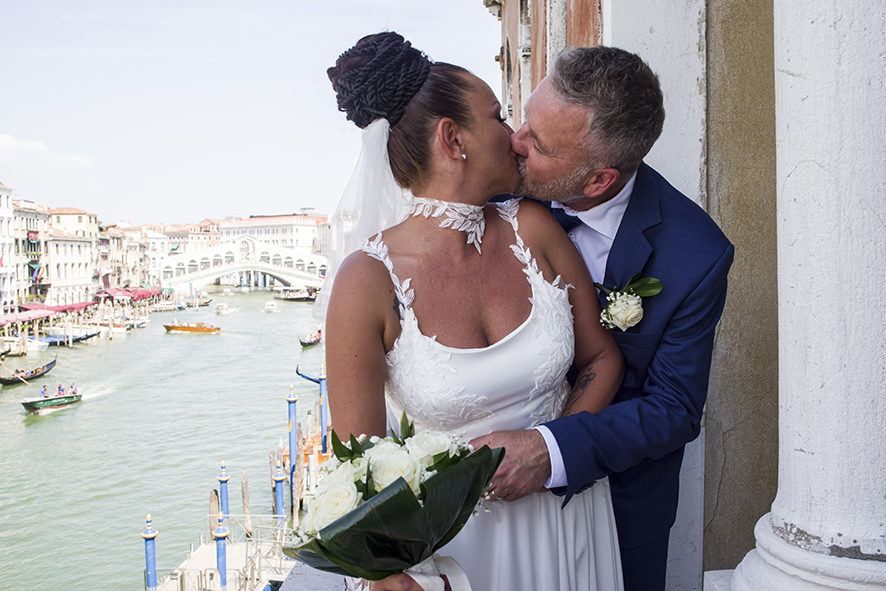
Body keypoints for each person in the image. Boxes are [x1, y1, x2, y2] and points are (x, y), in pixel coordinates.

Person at [322, 33, 625, 591]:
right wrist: (392, 579)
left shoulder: (534, 229)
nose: (514, 136)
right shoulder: (365, 283)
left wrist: (553, 449)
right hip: (458, 555)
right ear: (453, 138)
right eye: (498, 116)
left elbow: (601, 357)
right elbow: (358, 465)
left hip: (567, 516)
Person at [471, 46, 734, 591]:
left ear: (598, 181)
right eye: (524, 121)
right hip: (484, 513)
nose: (515, 144)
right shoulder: (487, 193)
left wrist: (552, 451)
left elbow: (674, 408)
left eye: (538, 145)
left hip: (619, 510)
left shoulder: (696, 255)